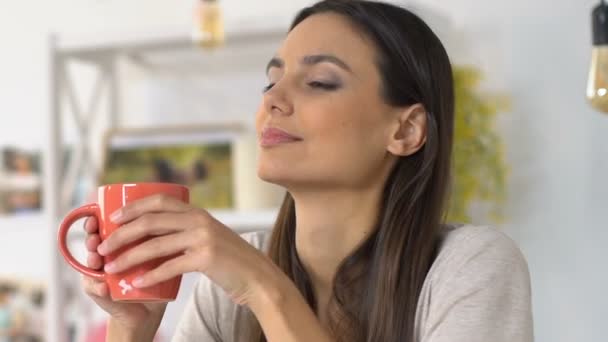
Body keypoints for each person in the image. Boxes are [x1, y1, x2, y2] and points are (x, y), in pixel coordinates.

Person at [81, 1, 533, 341]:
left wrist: (263, 288)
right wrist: (130, 326)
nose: (273, 100)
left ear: (406, 129)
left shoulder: (469, 266)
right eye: (271, 81)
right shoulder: (231, 283)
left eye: (319, 82)